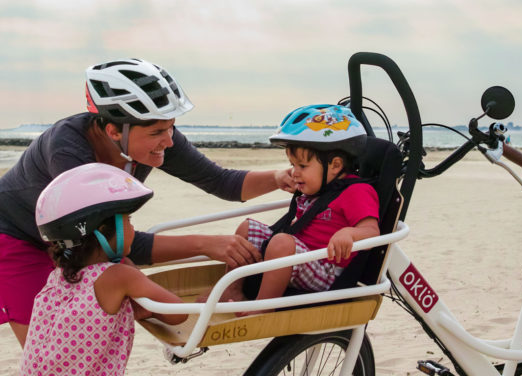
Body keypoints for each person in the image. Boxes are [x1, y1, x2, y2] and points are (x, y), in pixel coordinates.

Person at [0, 58, 294, 346]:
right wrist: (205, 244)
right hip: (18, 236)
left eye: (172, 127)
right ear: (114, 131)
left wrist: (280, 177)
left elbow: (221, 182)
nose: (168, 140)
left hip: (78, 244)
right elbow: (108, 242)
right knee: (55, 355)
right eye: (157, 132)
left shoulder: (152, 137)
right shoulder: (68, 151)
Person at [198, 105, 380, 315]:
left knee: (282, 242)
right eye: (292, 165)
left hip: (325, 269)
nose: (294, 172)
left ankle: (263, 307)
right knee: (247, 229)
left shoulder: (356, 191)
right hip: (301, 257)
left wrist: (349, 233)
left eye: (302, 166)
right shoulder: (321, 188)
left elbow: (372, 232)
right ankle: (232, 290)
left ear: (335, 165)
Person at [21, 163, 187, 375]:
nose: (133, 229)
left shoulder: (60, 275)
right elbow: (178, 314)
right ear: (102, 231)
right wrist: (131, 270)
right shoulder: (118, 276)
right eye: (128, 220)